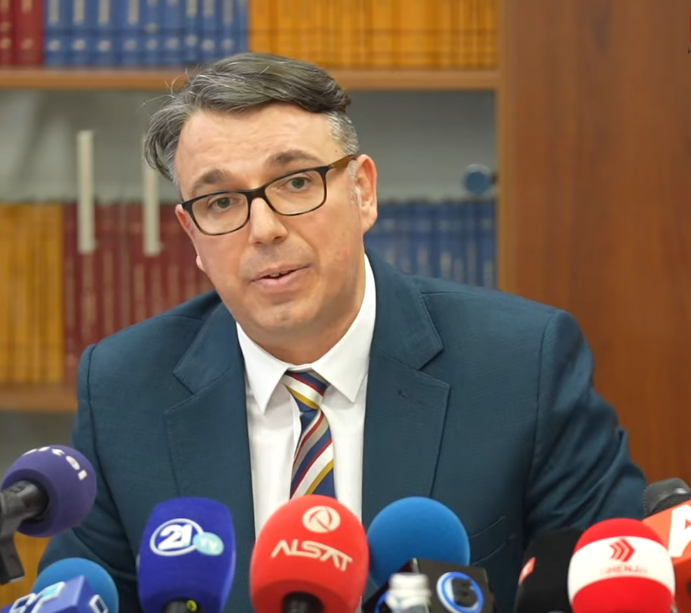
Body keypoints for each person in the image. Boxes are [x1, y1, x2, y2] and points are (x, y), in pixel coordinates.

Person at [40, 52, 646, 613]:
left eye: (296, 183)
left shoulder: (522, 364)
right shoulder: (124, 390)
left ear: (363, 191)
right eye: (221, 202)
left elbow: (613, 584)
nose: (264, 229)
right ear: (192, 235)